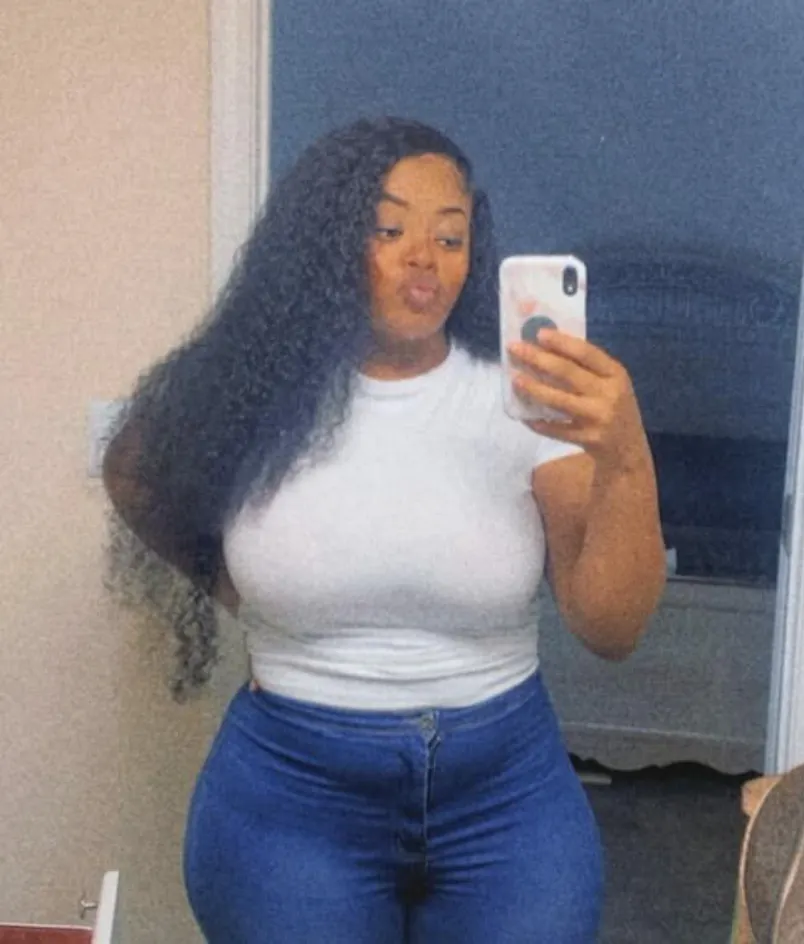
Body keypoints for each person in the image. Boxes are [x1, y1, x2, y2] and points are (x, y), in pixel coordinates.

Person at [103, 116, 665, 943]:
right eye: (389, 230)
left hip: (506, 802)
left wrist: (625, 454)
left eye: (450, 236)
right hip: (291, 802)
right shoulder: (253, 392)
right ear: (327, 243)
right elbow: (134, 468)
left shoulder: (525, 401)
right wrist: (246, 592)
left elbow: (611, 627)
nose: (423, 258)